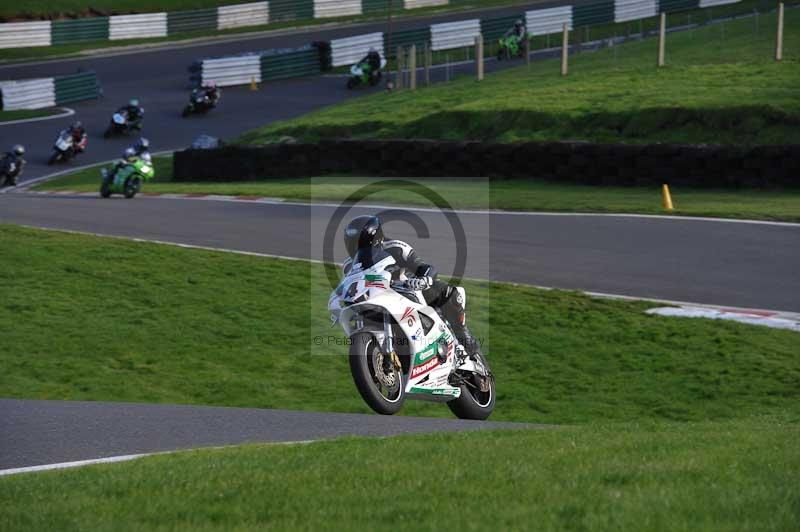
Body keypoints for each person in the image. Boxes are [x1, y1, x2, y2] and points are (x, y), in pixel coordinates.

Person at [342, 215, 482, 359]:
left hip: (407, 289)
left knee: (450, 294)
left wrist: (424, 279)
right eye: (353, 243)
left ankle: (464, 337)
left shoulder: (395, 247)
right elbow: (348, 289)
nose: (357, 248)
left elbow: (422, 266)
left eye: (360, 243)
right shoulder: (348, 266)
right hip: (374, 299)